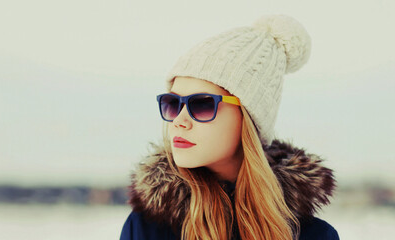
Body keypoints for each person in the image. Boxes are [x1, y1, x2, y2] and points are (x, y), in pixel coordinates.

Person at [120, 14, 340, 240]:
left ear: (248, 118)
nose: (179, 121)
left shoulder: (314, 235)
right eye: (172, 103)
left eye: (202, 104)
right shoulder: (147, 228)